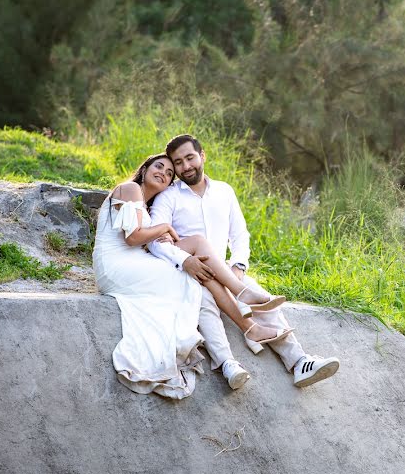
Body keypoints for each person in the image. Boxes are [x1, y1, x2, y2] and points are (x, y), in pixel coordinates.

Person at [93, 154, 295, 397]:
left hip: (131, 264)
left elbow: (141, 240)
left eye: (169, 173)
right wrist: (165, 228)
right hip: (116, 266)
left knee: (198, 248)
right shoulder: (130, 188)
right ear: (144, 168)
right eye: (159, 167)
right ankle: (244, 305)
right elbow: (132, 237)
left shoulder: (145, 204)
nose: (164, 174)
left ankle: (247, 315)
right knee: (195, 273)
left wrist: (162, 234)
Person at [148, 134, 340, 388]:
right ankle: (227, 364)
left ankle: (300, 362)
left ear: (202, 156)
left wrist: (237, 267)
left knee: (263, 298)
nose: (186, 167)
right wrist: (186, 262)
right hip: (189, 271)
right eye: (179, 162)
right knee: (204, 302)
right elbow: (155, 241)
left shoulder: (224, 191)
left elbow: (240, 234)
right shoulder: (169, 197)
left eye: (190, 158)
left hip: (226, 271)